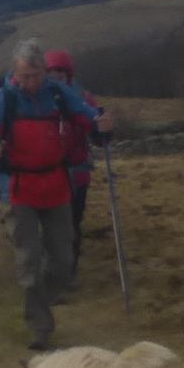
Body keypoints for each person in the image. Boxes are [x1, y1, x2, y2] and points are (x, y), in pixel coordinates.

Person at [0, 39, 111, 350]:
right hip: (17, 189)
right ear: (14, 73)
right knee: (29, 262)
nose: (30, 82)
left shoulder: (58, 95)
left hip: (56, 185)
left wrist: (101, 123)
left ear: (44, 72)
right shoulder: (2, 100)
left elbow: (87, 117)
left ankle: (38, 304)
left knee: (63, 261)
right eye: (24, 76)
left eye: (35, 75)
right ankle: (40, 327)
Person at [44, 48, 114, 287]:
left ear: (68, 73)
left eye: (59, 72)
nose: (55, 76)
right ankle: (54, 269)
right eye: (50, 72)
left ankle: (68, 270)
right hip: (49, 172)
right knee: (50, 223)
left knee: (72, 222)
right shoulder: (38, 100)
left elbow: (98, 134)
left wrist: (104, 130)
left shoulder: (83, 99)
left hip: (76, 171)